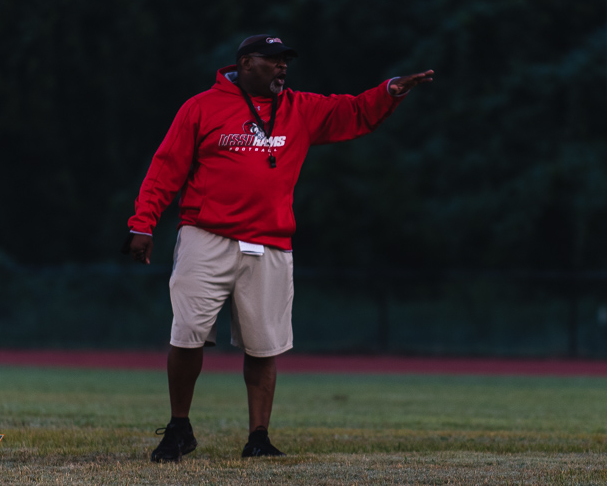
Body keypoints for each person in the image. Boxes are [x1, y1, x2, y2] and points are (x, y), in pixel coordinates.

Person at [123, 34, 433, 462]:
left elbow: (354, 113)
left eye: (285, 61)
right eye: (272, 61)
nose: (282, 68)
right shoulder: (201, 107)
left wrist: (389, 91)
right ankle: (179, 428)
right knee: (187, 333)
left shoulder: (300, 108)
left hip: (269, 241)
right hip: (205, 235)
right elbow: (166, 167)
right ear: (246, 63)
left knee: (263, 345)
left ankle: (259, 436)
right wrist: (143, 223)